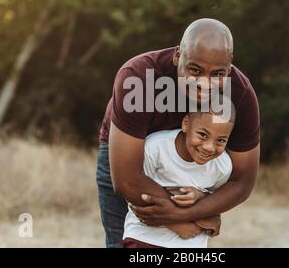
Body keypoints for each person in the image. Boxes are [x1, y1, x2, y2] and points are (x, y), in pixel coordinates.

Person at [96, 18, 260, 248]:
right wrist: (197, 217)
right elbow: (126, 179)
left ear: (229, 68)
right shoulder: (139, 76)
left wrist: (182, 215)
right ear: (177, 56)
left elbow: (243, 181)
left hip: (190, 166)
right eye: (195, 70)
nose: (205, 83)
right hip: (131, 156)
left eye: (218, 74)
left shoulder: (240, 94)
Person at [123, 106, 235, 248]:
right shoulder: (156, 147)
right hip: (144, 239)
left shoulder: (222, 166)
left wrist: (201, 196)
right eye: (203, 135)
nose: (209, 147)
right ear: (186, 124)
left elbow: (215, 204)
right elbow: (135, 194)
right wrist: (175, 223)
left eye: (220, 141)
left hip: (191, 245)